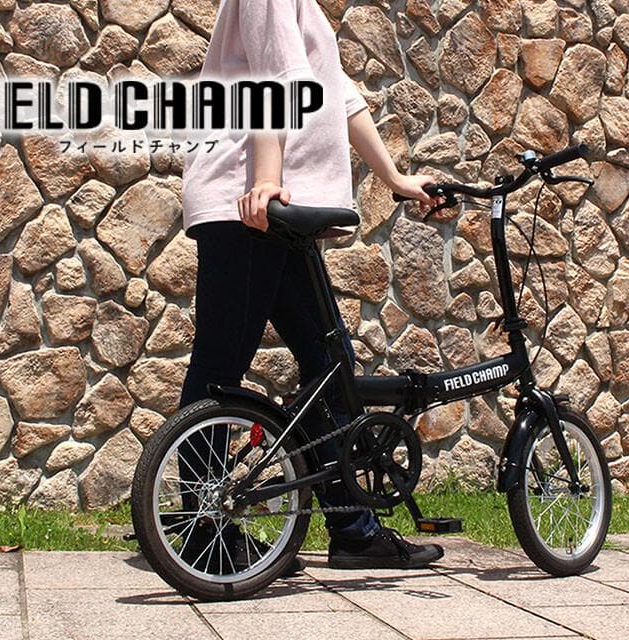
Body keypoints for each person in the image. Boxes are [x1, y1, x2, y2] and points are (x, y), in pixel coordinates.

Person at [178, 0, 445, 572]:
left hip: (276, 213)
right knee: (220, 368)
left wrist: (395, 177)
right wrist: (267, 180)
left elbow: (338, 94)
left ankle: (353, 530)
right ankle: (200, 535)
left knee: (329, 364)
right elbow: (272, 82)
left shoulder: (307, 10)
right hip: (250, 208)